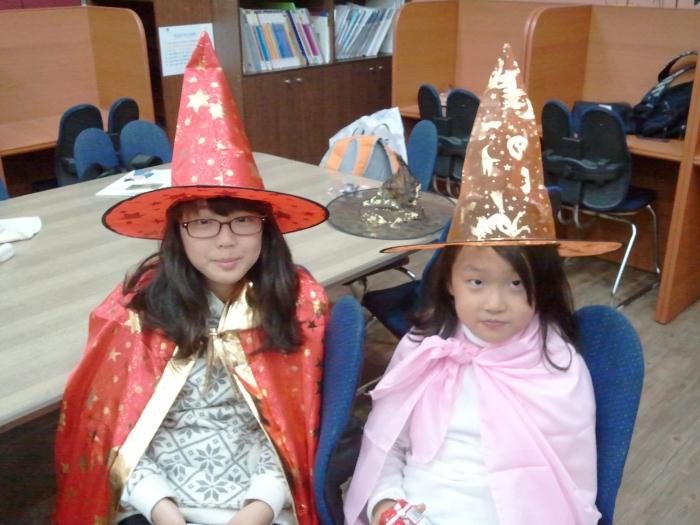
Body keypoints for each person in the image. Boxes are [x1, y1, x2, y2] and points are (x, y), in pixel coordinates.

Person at [53, 33, 329, 525]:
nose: (225, 241)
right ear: (176, 232)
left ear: (266, 227)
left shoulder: (297, 302)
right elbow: (111, 428)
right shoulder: (138, 309)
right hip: (155, 499)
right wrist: (162, 510)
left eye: (242, 221)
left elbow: (301, 423)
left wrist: (259, 509)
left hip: (262, 501)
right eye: (202, 223)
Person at [344, 44, 621, 525]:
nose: (495, 303)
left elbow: (565, 486)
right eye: (476, 281)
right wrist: (387, 505)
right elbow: (389, 446)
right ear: (449, 282)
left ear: (544, 286)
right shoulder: (425, 347)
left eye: (517, 283)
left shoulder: (558, 368)